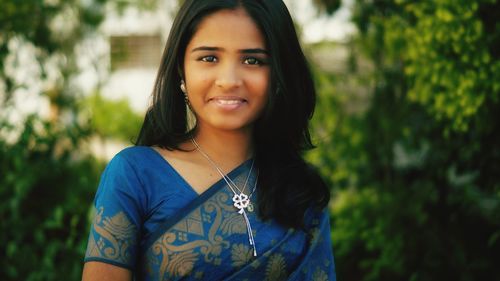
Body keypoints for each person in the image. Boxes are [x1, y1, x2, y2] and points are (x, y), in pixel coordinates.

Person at [82, 0, 336, 280]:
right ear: (181, 69)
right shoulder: (134, 174)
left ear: (277, 74)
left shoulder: (300, 189)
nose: (228, 80)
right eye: (209, 58)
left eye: (253, 60)